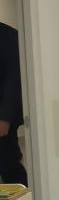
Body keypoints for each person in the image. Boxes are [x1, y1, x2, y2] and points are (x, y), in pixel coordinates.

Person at [0, 21, 27, 185]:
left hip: (3, 118)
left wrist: (5, 118)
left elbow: (14, 79)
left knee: (8, 164)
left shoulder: (8, 36)